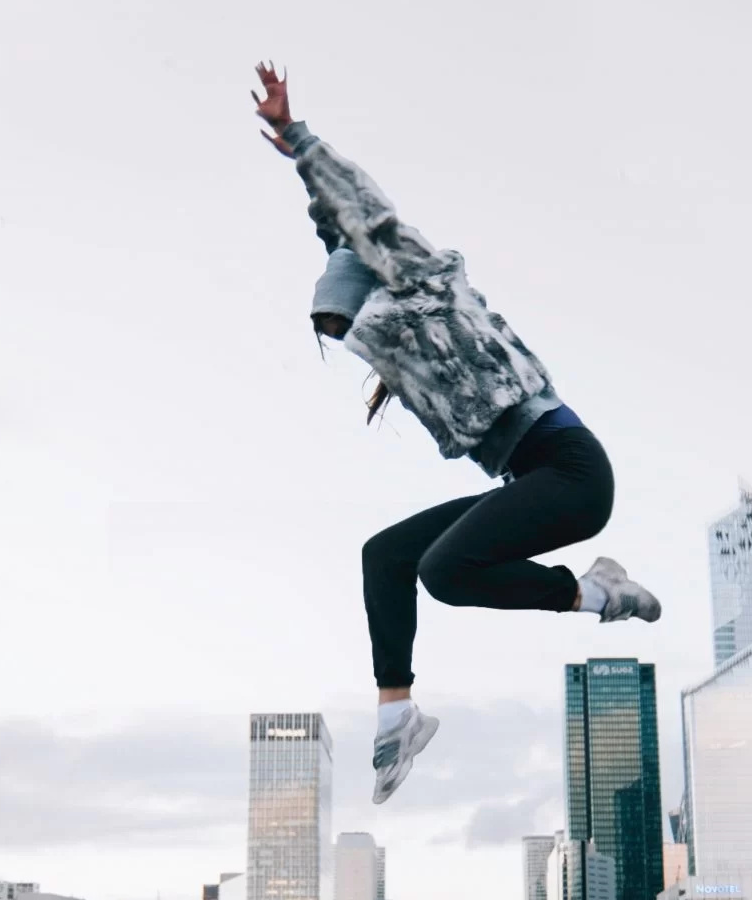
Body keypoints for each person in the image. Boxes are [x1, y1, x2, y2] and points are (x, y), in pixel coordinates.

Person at [253, 63, 661, 804]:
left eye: (346, 322)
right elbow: (332, 235)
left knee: (444, 571)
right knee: (387, 555)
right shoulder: (388, 321)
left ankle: (598, 595)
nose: (353, 339)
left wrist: (297, 136)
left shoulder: (421, 282)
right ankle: (397, 713)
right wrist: (308, 197)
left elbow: (359, 219)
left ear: (374, 289)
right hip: (533, 478)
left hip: (573, 472)